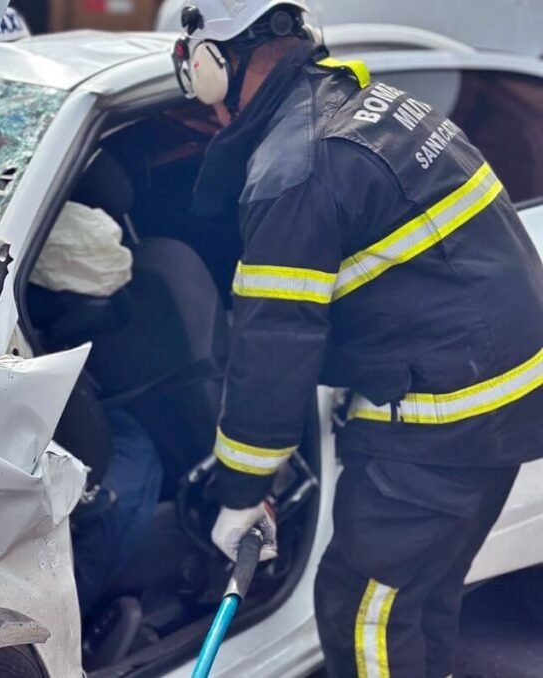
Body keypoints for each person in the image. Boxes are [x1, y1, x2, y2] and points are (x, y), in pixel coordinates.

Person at [171, 2, 543, 676]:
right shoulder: (377, 106)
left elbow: (274, 345)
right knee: (420, 601)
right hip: (496, 411)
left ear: (210, 64)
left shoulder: (294, 169)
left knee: (364, 612)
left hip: (441, 430)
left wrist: (240, 490)